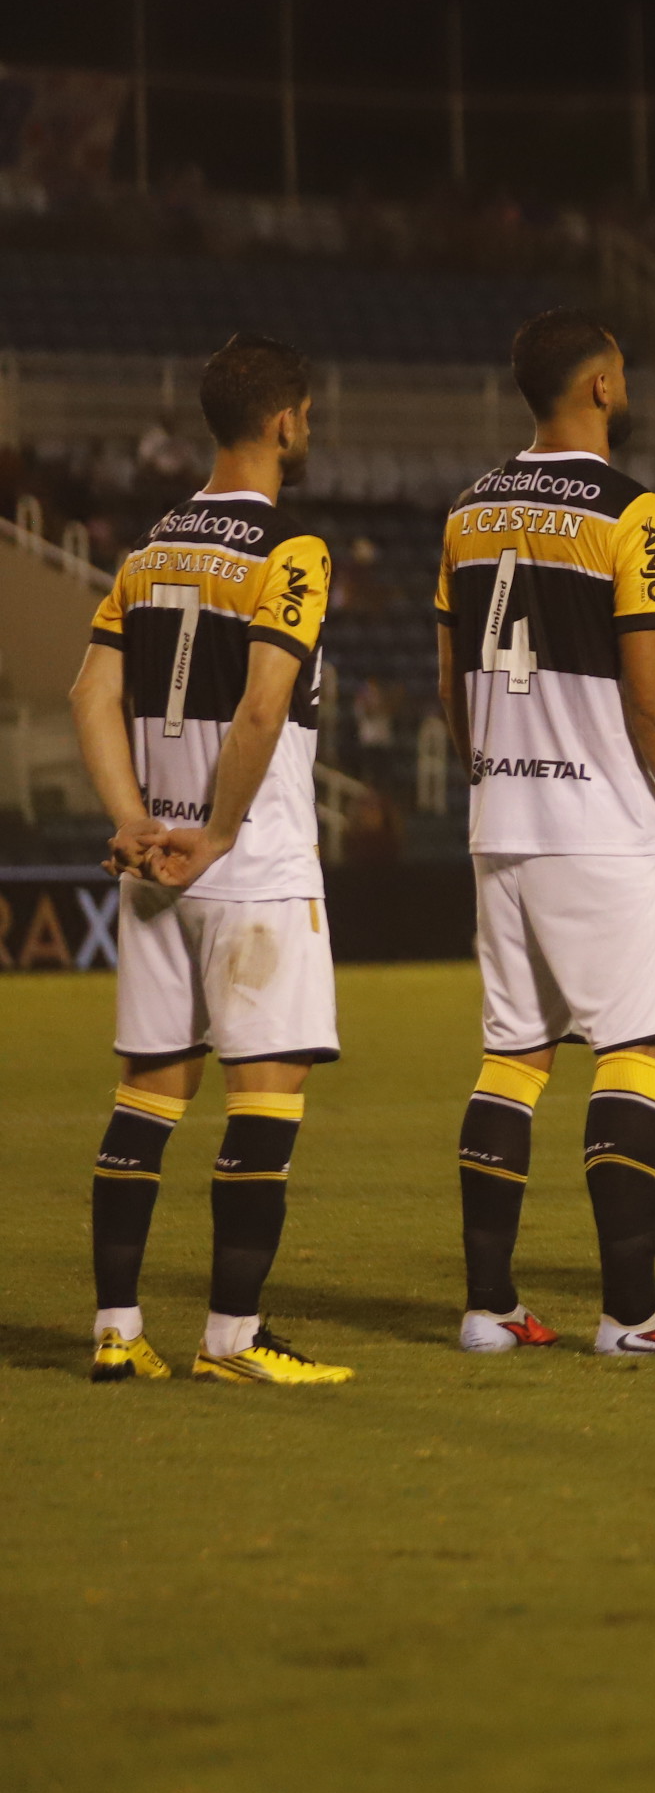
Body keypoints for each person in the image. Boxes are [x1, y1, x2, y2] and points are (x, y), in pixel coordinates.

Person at [441, 310, 655, 1356]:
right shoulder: (632, 513)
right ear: (602, 386)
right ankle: (631, 1315)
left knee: (514, 1054)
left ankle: (489, 1308)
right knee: (635, 1047)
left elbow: (452, 681)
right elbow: (654, 695)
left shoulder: (468, 510)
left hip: (500, 818)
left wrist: (495, 770)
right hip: (604, 823)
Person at [67, 333, 351, 1385]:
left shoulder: (148, 552)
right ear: (283, 421)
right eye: (305, 416)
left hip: (155, 869)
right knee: (263, 1099)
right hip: (251, 863)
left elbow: (89, 694)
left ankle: (116, 1330)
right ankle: (233, 1337)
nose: (306, 431)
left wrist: (135, 820)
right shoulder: (293, 551)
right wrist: (220, 830)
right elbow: (264, 706)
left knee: (146, 1097)